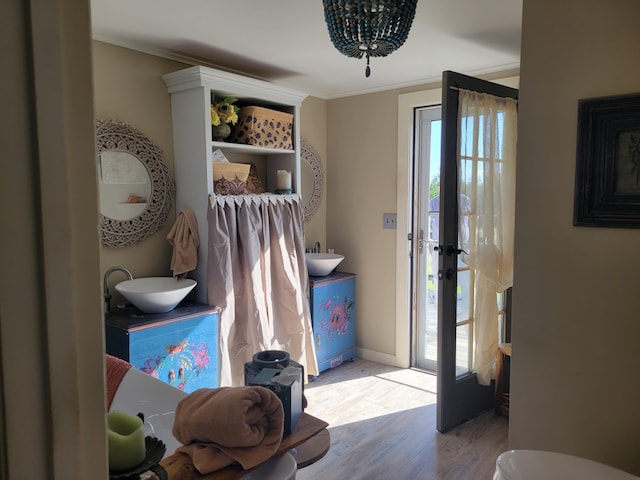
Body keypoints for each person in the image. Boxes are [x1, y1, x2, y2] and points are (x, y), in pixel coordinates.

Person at [428, 190, 471, 313]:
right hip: (440, 250)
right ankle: (441, 313)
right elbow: (429, 230)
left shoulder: (465, 200)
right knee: (441, 286)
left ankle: (465, 315)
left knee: (466, 284)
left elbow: (470, 225)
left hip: (462, 249)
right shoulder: (433, 203)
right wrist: (432, 250)